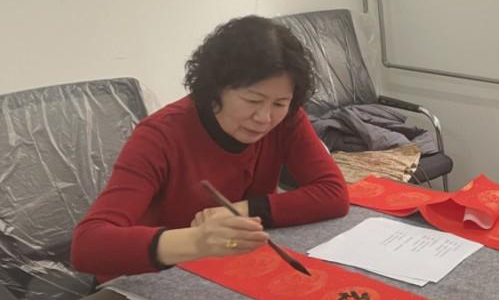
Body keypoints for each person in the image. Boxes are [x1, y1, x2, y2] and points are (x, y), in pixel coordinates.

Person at [72, 15, 349, 280]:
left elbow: (333, 194)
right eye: (252, 101)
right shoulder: (160, 136)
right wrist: (197, 241)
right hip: (146, 281)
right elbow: (87, 246)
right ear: (215, 89)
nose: (265, 118)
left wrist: (239, 210)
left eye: (279, 103)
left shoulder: (287, 120)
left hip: (222, 270)